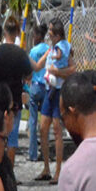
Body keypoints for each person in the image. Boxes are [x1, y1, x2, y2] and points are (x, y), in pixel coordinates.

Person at [0, 18, 32, 165]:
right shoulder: (21, 53)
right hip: (14, 100)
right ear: (17, 33)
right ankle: (9, 171)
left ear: (5, 32)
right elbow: (29, 75)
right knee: (12, 138)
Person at [37, 19, 72, 182]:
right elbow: (38, 65)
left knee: (57, 129)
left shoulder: (65, 47)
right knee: (43, 128)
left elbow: (72, 69)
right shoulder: (51, 48)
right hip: (48, 90)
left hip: (59, 91)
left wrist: (56, 72)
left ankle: (58, 171)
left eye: (51, 30)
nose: (48, 33)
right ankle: (46, 168)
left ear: (57, 33)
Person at [26, 24, 49, 163]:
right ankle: (45, 150)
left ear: (38, 36)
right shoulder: (48, 49)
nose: (33, 38)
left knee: (33, 121)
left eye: (34, 35)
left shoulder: (33, 51)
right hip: (46, 87)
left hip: (35, 86)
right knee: (45, 122)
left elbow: (30, 70)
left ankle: (33, 153)